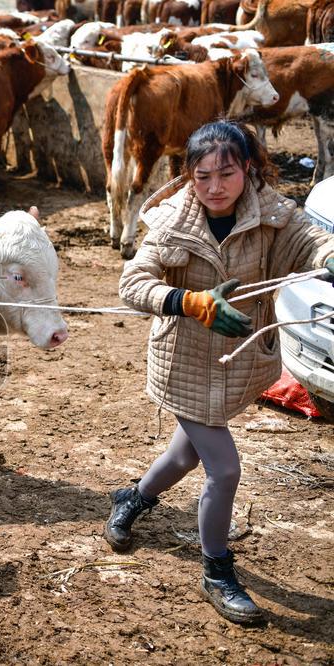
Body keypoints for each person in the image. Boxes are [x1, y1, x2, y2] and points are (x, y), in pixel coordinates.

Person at [107, 121, 334, 624]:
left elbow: (311, 242)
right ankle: (216, 570)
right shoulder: (172, 222)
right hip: (184, 364)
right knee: (224, 469)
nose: (214, 187)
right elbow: (132, 282)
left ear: (247, 169)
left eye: (226, 173)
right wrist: (187, 301)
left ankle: (135, 497)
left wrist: (330, 256)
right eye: (203, 175)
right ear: (189, 175)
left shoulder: (273, 215)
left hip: (235, 366)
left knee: (184, 455)